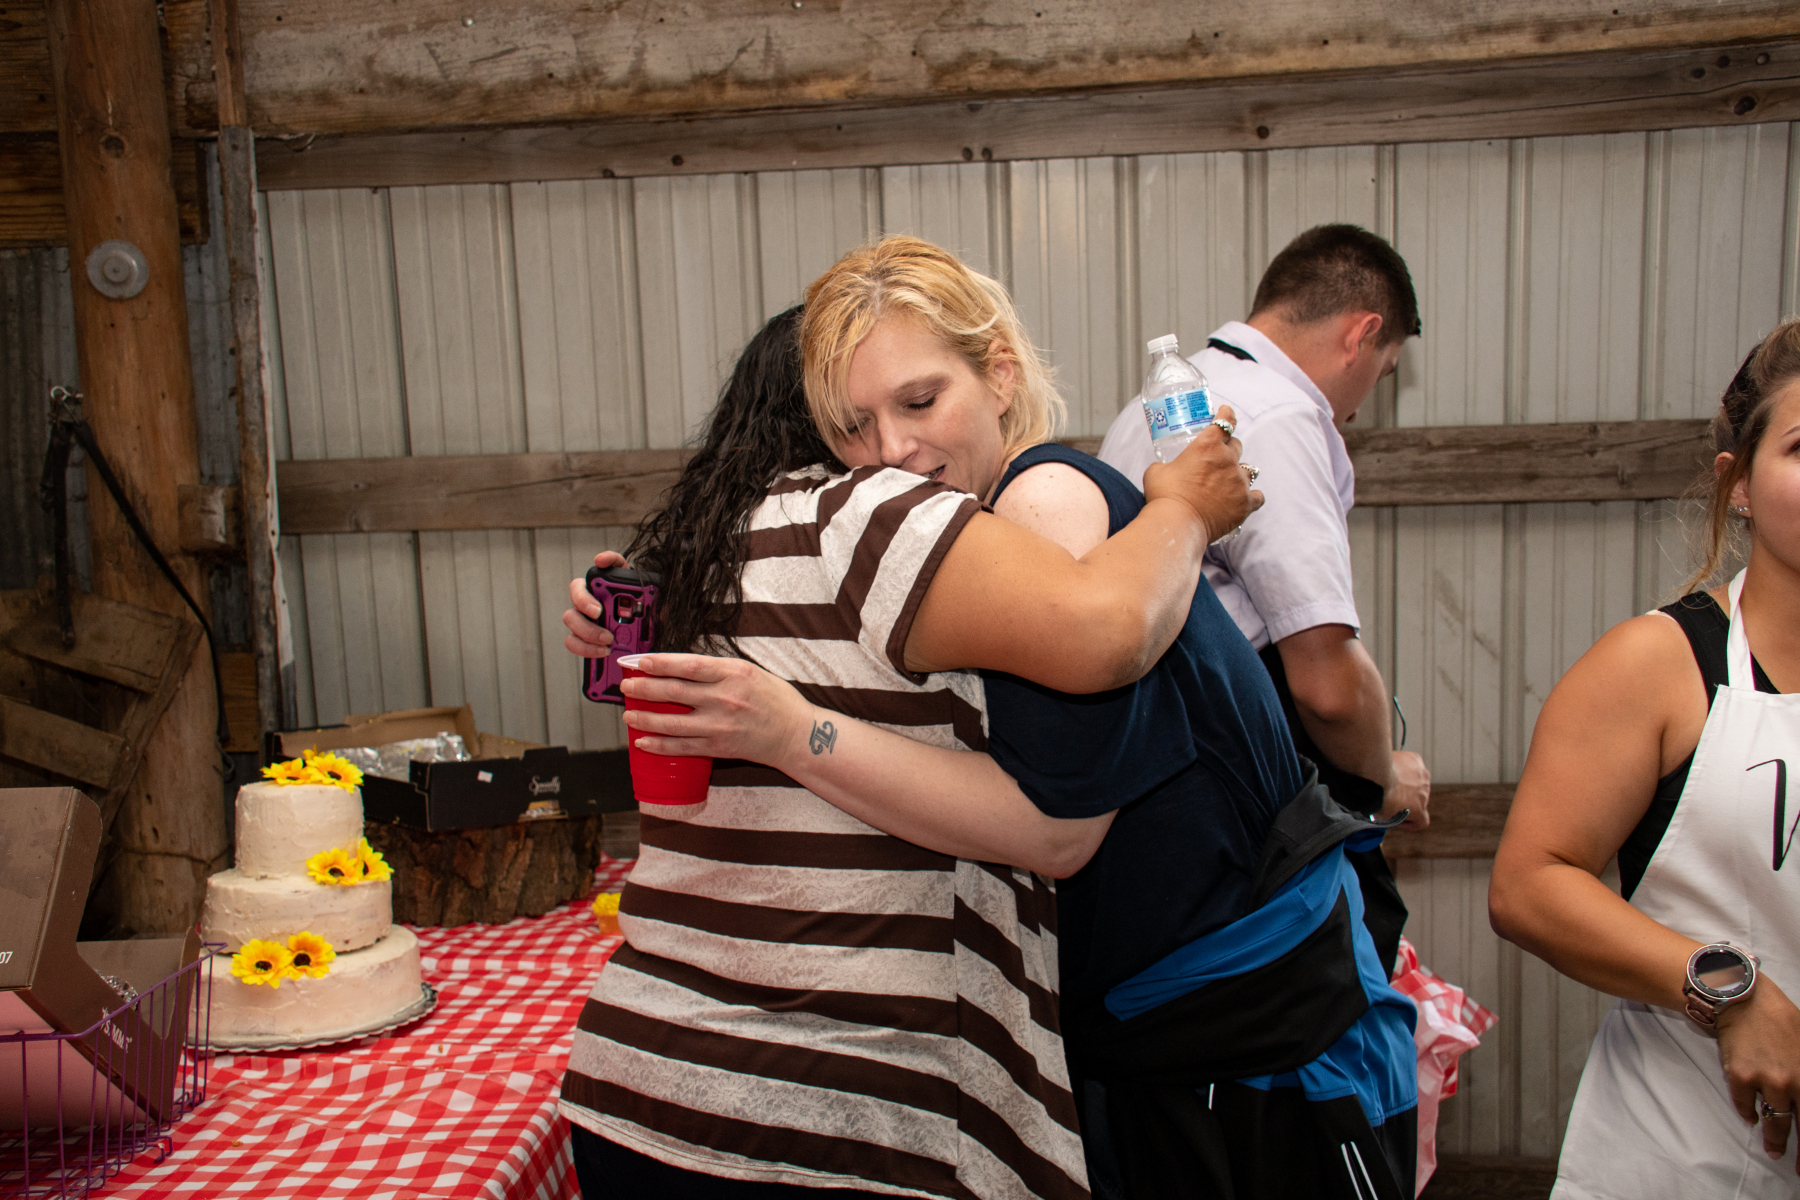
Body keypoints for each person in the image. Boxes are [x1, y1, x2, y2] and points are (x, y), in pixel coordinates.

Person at [608, 238, 1421, 1199]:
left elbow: (1060, 819)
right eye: (855, 426)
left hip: (1238, 1038)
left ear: (1000, 373)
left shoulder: (1040, 495)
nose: (892, 450)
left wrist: (792, 733)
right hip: (1181, 1025)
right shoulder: (953, 536)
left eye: (920, 402)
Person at [1488, 320, 1800, 1199]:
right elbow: (1529, 885)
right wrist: (1734, 994)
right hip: (1685, 1156)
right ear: (1739, 485)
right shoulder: (1659, 664)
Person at [1097, 223, 1431, 971]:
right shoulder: (1277, 417)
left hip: (1156, 779)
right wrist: (1385, 781)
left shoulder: (1150, 407)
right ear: (1362, 334)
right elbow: (1326, 684)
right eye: (1383, 374)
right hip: (1247, 800)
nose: (1358, 410)